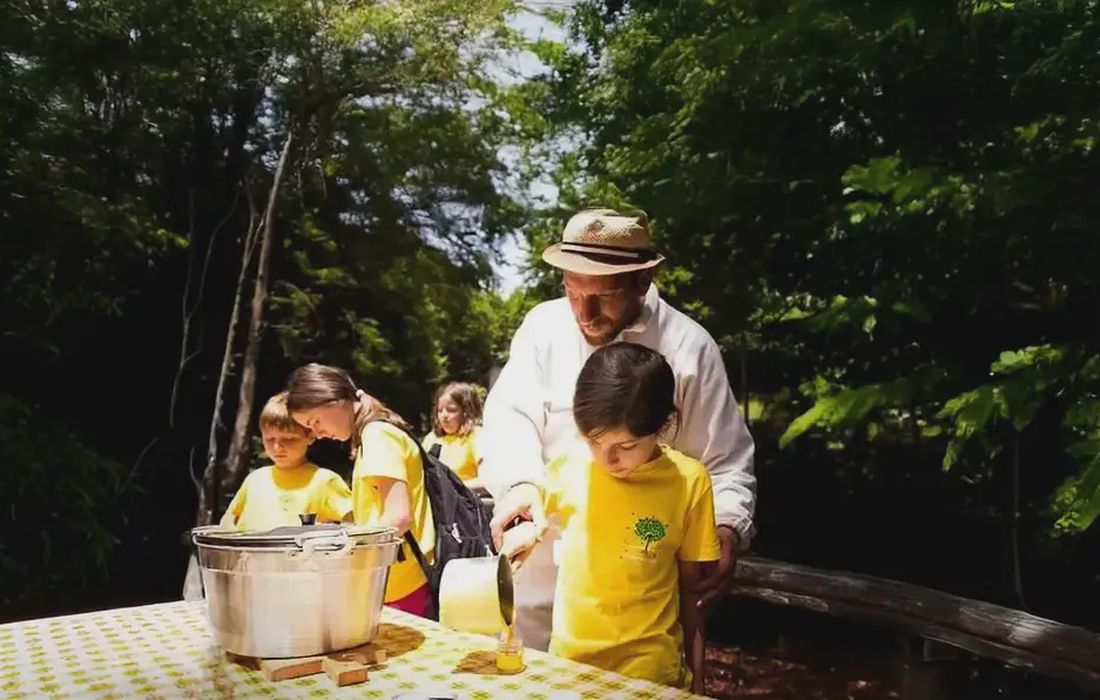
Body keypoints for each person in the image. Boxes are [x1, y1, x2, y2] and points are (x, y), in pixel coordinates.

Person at [481, 209, 756, 651]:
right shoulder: (542, 327)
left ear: (643, 282)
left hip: (641, 605)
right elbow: (509, 417)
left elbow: (725, 461)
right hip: (540, 579)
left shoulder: (690, 349)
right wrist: (518, 485)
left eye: (603, 296)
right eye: (572, 293)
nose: (584, 314)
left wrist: (725, 525)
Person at [516, 343, 717, 691]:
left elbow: (691, 591)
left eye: (625, 447)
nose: (606, 460)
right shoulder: (568, 468)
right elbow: (526, 507)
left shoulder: (689, 482)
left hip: (649, 671)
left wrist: (698, 679)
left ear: (665, 424)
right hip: (568, 668)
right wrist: (519, 526)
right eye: (593, 441)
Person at [285, 363, 435, 617]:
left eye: (315, 421)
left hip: (402, 582)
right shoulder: (375, 433)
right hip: (398, 579)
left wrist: (340, 545)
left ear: (335, 401)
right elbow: (379, 515)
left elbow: (398, 517)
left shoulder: (377, 435)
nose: (317, 433)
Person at [219, 392, 352, 531]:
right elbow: (228, 521)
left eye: (288, 439)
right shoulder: (254, 480)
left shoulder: (325, 481)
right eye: (269, 439)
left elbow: (353, 522)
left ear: (311, 436)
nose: (277, 447)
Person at [422, 382, 484, 490]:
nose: (444, 416)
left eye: (451, 410)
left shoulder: (477, 437)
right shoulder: (431, 438)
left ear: (466, 411)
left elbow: (487, 482)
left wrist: (450, 488)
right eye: (440, 410)